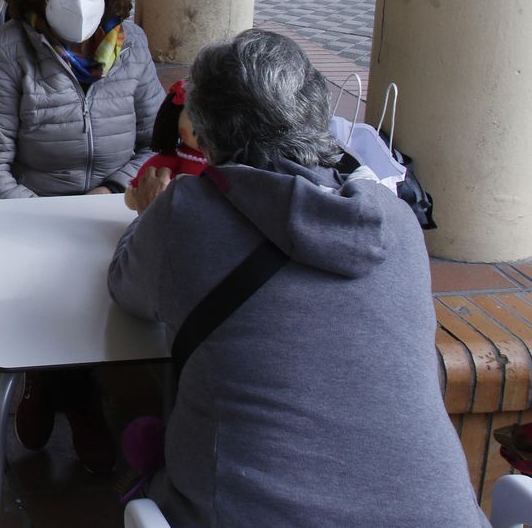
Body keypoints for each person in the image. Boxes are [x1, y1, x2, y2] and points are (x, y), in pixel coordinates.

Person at [110, 30, 486, 527]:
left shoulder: (186, 215)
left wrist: (149, 217)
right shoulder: (395, 220)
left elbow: (127, 289)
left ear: (204, 131)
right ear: (314, 115)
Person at [0, 0, 164, 472]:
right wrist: (55, 220)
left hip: (116, 212)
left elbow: (159, 146)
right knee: (68, 276)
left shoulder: (133, 45)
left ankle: (51, 388)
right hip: (28, 220)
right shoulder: (4, 54)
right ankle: (79, 401)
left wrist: (114, 192)